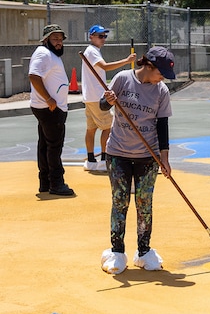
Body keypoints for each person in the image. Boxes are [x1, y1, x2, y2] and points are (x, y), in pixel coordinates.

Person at [99, 46, 175, 274]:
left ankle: (143, 252)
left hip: (147, 156)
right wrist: (109, 101)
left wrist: (164, 158)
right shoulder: (123, 79)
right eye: (160, 73)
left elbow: (162, 126)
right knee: (120, 201)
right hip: (118, 153)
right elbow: (103, 105)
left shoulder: (161, 91)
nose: (162, 78)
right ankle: (116, 251)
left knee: (144, 204)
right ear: (149, 66)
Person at [81, 24, 137, 172]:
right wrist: (126, 61)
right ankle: (105, 158)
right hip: (96, 96)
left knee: (91, 128)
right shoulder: (92, 51)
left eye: (104, 36)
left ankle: (91, 158)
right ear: (91, 36)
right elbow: (105, 67)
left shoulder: (92, 51)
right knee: (109, 127)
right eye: (100, 36)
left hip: (90, 96)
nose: (103, 39)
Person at [28, 24, 75, 196]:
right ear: (46, 39)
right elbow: (33, 75)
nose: (59, 42)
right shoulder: (43, 53)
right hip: (50, 109)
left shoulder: (50, 54)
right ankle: (56, 183)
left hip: (49, 108)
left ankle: (45, 182)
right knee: (54, 146)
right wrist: (49, 98)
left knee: (45, 145)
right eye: (55, 39)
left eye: (60, 39)